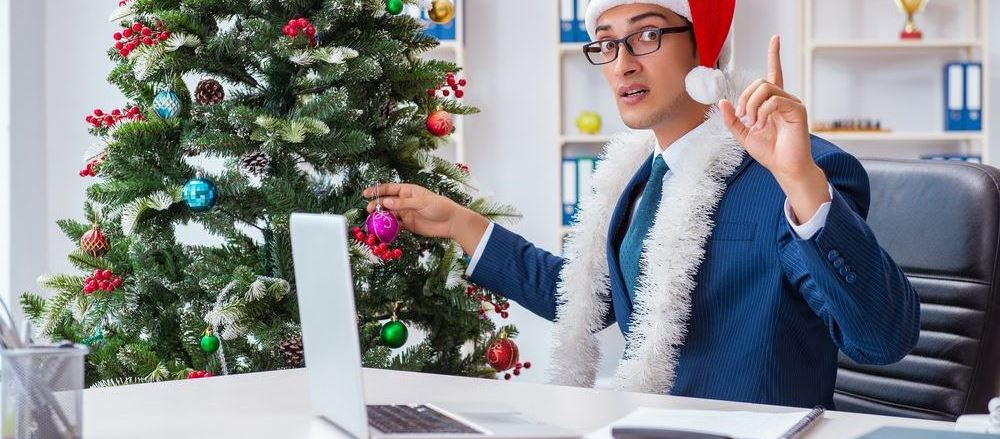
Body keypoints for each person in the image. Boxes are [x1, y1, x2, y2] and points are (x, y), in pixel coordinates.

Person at [363, 0, 919, 408]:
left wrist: (801, 182)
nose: (622, 64)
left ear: (704, 49)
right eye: (606, 43)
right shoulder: (635, 178)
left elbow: (883, 338)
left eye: (646, 36)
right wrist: (463, 224)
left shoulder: (796, 171)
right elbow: (588, 299)